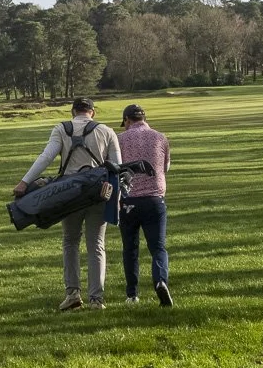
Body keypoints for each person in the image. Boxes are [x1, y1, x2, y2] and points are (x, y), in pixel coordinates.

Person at [14, 96, 121, 311]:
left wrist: (25, 182)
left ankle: (72, 293)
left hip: (69, 193)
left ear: (73, 111)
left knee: (70, 242)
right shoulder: (107, 131)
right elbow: (118, 167)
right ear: (93, 112)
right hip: (98, 193)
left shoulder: (62, 129)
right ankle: (96, 299)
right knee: (96, 246)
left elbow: (46, 157)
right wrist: (117, 200)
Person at [117, 104, 173, 306]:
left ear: (127, 120)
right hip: (154, 199)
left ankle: (132, 294)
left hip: (128, 200)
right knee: (158, 247)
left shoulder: (120, 139)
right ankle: (160, 281)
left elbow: (114, 167)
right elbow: (165, 167)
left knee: (130, 248)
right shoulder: (160, 137)